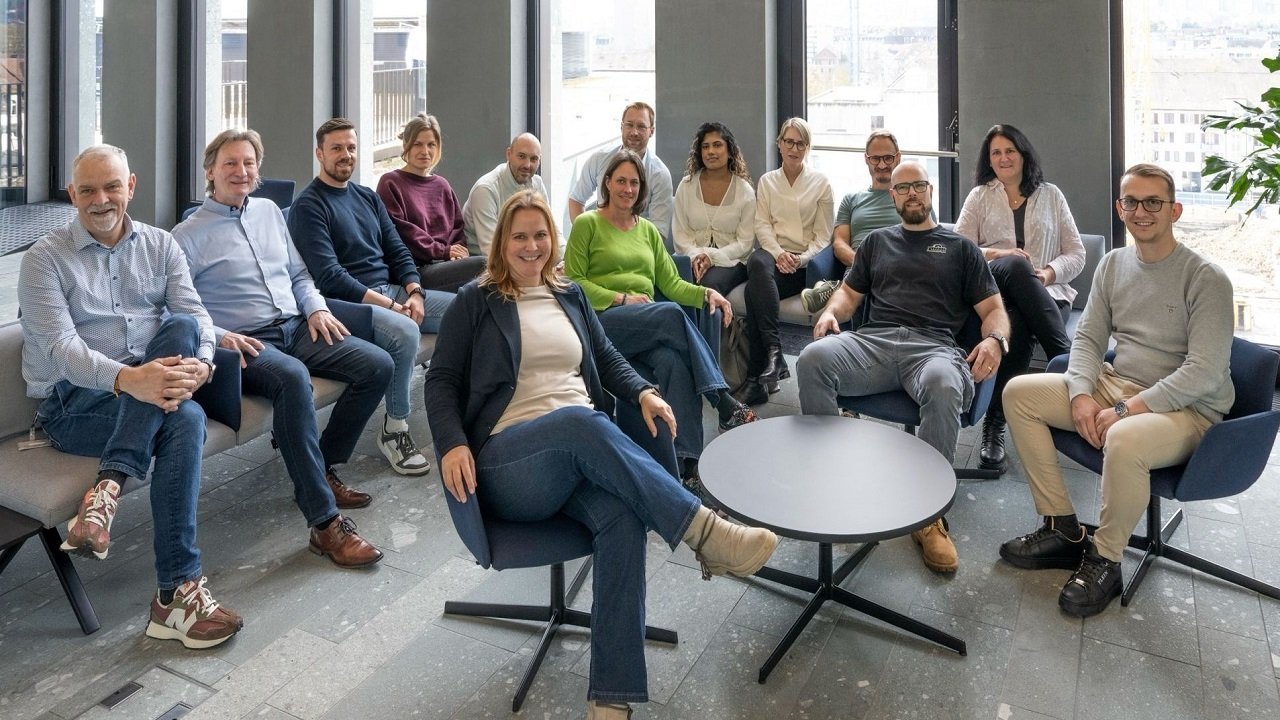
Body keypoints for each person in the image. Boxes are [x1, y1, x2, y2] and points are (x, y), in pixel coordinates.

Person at [425, 189, 778, 720]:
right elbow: (440, 381)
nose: (531, 246)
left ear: (553, 239)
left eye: (540, 235)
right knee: (578, 421)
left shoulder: (568, 294)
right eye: (519, 236)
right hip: (509, 463)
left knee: (623, 520)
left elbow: (607, 357)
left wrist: (642, 392)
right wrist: (452, 442)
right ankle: (703, 532)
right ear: (501, 242)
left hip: (580, 454)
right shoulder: (476, 301)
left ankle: (611, 699)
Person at [20, 144, 242, 648]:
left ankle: (107, 490)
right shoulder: (44, 259)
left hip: (146, 392)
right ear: (72, 194)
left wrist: (204, 365)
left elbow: (196, 315)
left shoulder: (161, 245)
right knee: (186, 419)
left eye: (112, 187)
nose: (101, 200)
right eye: (88, 190)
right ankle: (175, 597)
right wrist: (128, 379)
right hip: (74, 403)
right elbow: (60, 350)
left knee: (182, 329)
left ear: (131, 186)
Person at [999, 163, 1234, 618]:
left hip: (1187, 410)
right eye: (1131, 202)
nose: (1141, 211)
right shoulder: (1113, 264)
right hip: (1119, 385)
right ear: (1119, 208)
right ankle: (1063, 528)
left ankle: (1105, 560)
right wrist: (1081, 395)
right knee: (1019, 393)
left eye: (1153, 202)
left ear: (1175, 210)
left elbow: (1204, 372)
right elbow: (1088, 339)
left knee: (1123, 438)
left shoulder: (1206, 277)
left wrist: (1126, 409)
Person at [174, 128, 386, 568]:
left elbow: (299, 274)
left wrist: (315, 308)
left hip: (296, 325)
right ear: (210, 171)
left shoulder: (270, 212)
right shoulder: (186, 236)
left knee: (377, 365)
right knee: (292, 379)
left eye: (249, 162)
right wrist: (218, 334)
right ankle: (324, 523)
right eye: (230, 163)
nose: (241, 171)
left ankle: (321, 467)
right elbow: (175, 307)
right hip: (245, 343)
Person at [797, 162, 1010, 574]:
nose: (911, 193)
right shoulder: (877, 242)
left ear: (930, 191)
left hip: (932, 348)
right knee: (812, 359)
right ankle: (830, 482)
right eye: (903, 187)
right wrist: (831, 313)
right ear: (891, 195)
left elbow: (994, 310)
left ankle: (928, 516)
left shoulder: (960, 248)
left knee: (944, 383)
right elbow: (848, 295)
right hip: (874, 342)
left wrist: (995, 339)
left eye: (918, 185)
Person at [564, 150, 757, 487]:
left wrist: (705, 294)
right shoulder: (587, 224)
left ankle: (687, 468)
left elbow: (670, 284)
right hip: (602, 322)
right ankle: (722, 399)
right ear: (607, 183)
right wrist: (620, 298)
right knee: (670, 313)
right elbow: (574, 283)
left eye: (634, 183)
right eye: (621, 181)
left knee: (673, 362)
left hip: (646, 324)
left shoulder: (648, 232)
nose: (627, 189)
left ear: (642, 189)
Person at [290, 117, 441, 476]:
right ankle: (394, 430)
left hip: (391, 292)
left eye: (351, 147)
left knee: (467, 309)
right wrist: (390, 305)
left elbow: (398, 250)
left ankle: (457, 400)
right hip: (347, 305)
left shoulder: (367, 197)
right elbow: (330, 277)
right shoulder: (308, 206)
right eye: (337, 148)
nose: (346, 154)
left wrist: (414, 292)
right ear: (319, 153)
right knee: (404, 331)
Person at [955, 124, 1085, 473]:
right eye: (996, 153)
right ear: (989, 160)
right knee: (1014, 264)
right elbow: (960, 251)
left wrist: (1047, 274)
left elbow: (1077, 253)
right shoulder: (979, 196)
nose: (1003, 158)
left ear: (1023, 154)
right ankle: (1071, 367)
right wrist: (999, 254)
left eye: (1009, 150)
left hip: (1045, 294)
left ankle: (994, 422)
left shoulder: (1051, 195)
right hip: (994, 289)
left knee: (1020, 322)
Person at [740, 117, 835, 406]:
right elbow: (762, 225)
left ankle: (757, 379)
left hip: (803, 265)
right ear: (779, 144)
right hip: (772, 256)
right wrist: (778, 253)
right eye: (789, 142)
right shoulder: (768, 181)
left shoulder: (821, 183)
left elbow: (824, 236)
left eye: (800, 143)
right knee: (757, 263)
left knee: (752, 292)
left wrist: (800, 258)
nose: (794, 148)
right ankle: (775, 352)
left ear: (808, 147)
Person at [376, 113, 486, 290]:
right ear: (406, 145)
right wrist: (443, 251)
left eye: (431, 145)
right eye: (417, 144)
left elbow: (457, 229)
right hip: (413, 272)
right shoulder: (390, 182)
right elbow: (402, 233)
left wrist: (457, 252)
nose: (425, 151)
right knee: (485, 266)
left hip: (446, 264)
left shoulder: (442, 185)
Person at [801, 130, 904, 314]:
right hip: (859, 268)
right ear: (866, 159)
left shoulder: (911, 198)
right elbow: (839, 243)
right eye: (875, 158)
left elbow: (925, 238)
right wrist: (863, 262)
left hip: (897, 265)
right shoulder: (851, 199)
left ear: (898, 158)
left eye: (888, 158)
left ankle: (836, 289)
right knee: (863, 287)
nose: (882, 164)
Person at [567, 101, 674, 239]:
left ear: (651, 131)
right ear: (621, 127)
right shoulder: (599, 159)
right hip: (600, 240)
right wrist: (586, 237)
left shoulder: (660, 175)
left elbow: (658, 232)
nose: (634, 132)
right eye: (629, 125)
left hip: (639, 245)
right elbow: (576, 199)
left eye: (641, 126)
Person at [672, 121, 754, 296]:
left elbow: (745, 243)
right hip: (691, 257)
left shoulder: (745, 191)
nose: (711, 151)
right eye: (705, 146)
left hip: (732, 260)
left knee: (707, 285)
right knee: (671, 280)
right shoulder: (686, 186)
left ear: (730, 151)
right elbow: (680, 235)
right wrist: (696, 256)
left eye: (717, 145)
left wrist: (711, 257)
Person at [462, 132, 551, 256]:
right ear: (509, 154)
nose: (527, 165)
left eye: (533, 159)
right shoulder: (485, 189)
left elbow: (552, 231)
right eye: (521, 156)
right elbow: (491, 249)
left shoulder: (537, 184)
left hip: (524, 255)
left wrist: (564, 261)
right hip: (482, 261)